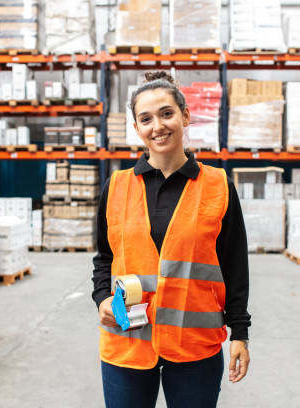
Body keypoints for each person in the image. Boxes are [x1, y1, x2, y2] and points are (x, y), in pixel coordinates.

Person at [92, 71, 251, 408]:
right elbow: (105, 258)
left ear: (185, 116)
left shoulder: (218, 185)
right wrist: (102, 299)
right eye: (145, 118)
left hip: (194, 345)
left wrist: (240, 333)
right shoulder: (116, 187)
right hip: (128, 342)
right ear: (136, 128)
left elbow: (235, 266)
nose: (157, 126)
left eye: (167, 114)